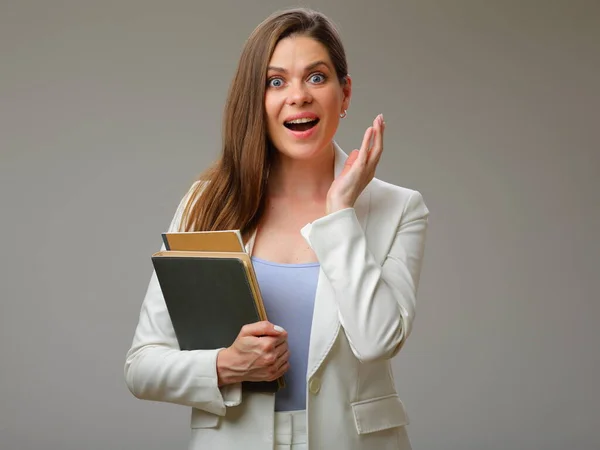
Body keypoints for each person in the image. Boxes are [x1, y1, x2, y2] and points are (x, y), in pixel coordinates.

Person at [124, 7, 429, 450]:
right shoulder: (206, 204)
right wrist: (227, 366)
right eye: (276, 81)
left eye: (317, 77)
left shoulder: (398, 208)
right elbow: (141, 366)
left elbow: (377, 341)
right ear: (256, 100)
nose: (298, 96)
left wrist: (339, 212)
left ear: (344, 95)